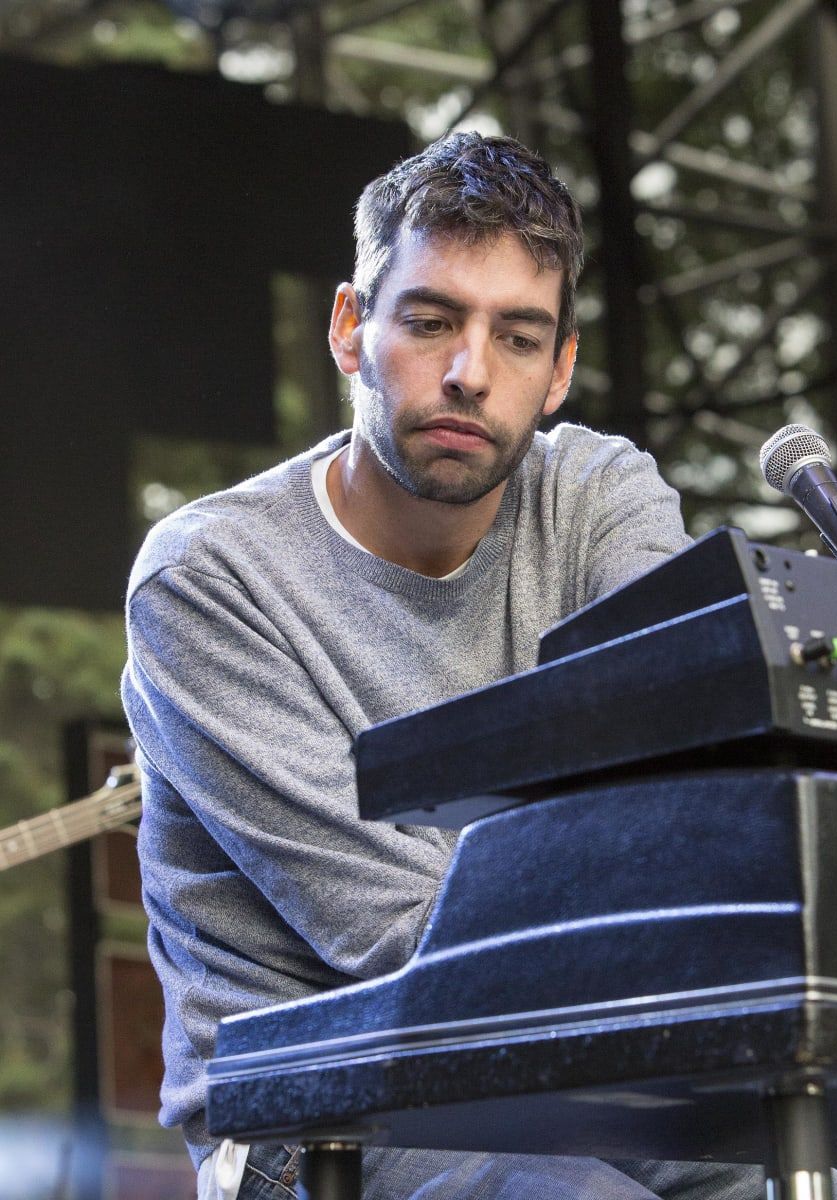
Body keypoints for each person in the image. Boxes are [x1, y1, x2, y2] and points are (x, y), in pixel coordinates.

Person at [121, 132, 763, 1199]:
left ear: (560, 369)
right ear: (349, 329)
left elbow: (684, 776)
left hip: (596, 1067)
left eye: (518, 337)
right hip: (320, 1116)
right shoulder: (209, 579)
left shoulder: (599, 494)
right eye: (429, 321)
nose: (470, 372)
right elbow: (404, 935)